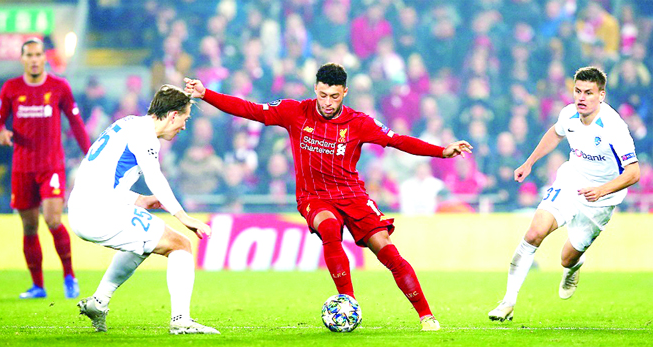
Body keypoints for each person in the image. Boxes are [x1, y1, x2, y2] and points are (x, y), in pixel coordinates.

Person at [184, 63, 473, 331]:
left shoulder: (359, 122)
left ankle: (426, 315)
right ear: (315, 89)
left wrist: (441, 151)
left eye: (334, 96)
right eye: (323, 95)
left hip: (352, 195)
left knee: (386, 250)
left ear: (344, 92)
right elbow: (249, 109)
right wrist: (205, 93)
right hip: (314, 197)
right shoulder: (294, 111)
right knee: (330, 228)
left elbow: (397, 140)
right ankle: (348, 304)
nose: (327, 103)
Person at [488, 66, 640, 322]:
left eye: (589, 93)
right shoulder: (569, 114)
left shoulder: (614, 127)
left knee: (566, 258)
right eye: (577, 91)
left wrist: (601, 190)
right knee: (534, 233)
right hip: (570, 181)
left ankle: (574, 268)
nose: (581, 97)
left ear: (601, 95)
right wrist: (529, 162)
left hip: (601, 199)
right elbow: (555, 134)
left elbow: (634, 173)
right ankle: (508, 302)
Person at [69, 84, 219, 335]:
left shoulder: (127, 123)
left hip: (83, 207)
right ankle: (181, 321)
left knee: (145, 242)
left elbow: (101, 176)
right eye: (184, 118)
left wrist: (139, 199)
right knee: (181, 244)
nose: (184, 126)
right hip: (99, 212)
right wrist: (183, 217)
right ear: (173, 115)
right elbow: (155, 177)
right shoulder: (145, 135)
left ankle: (99, 302)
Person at [0, 38, 91, 299]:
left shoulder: (59, 86)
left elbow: (77, 123)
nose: (34, 59)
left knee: (53, 219)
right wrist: (1, 132)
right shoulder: (11, 88)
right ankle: (38, 286)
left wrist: (90, 155)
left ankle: (69, 276)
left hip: (51, 166)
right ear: (22, 58)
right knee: (29, 227)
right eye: (29, 55)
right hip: (22, 168)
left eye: (38, 54)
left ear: (44, 57)